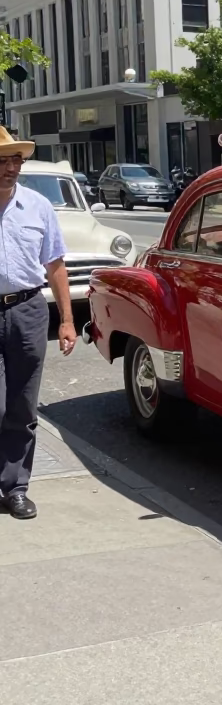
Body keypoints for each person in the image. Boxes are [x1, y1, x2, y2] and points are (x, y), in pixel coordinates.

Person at [0, 127, 76, 519]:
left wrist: (66, 320)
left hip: (28, 310)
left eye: (16, 160)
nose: (11, 167)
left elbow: (56, 265)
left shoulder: (37, 206)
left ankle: (15, 487)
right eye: (2, 160)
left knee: (22, 406)